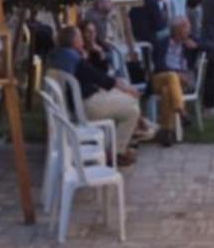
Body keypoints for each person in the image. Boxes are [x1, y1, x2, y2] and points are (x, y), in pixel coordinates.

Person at [48, 23, 145, 161]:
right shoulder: (74, 59)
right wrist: (127, 89)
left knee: (126, 99)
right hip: (87, 106)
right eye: (80, 37)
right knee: (132, 108)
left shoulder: (59, 56)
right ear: (74, 41)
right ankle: (118, 152)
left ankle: (133, 133)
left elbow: (97, 75)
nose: (82, 39)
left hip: (75, 105)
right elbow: (100, 77)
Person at [152, 17, 202, 142]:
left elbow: (212, 47)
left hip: (181, 82)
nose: (188, 32)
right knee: (172, 76)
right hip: (161, 77)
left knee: (167, 91)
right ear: (176, 31)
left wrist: (197, 45)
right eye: (185, 30)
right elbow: (158, 65)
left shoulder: (190, 41)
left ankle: (167, 131)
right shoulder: (162, 43)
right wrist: (176, 74)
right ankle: (181, 112)